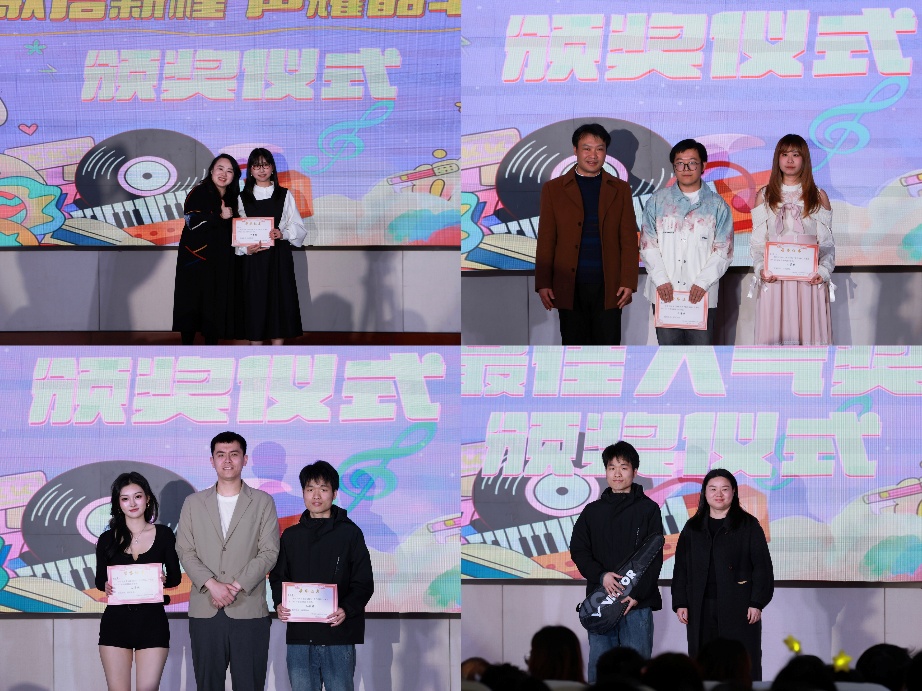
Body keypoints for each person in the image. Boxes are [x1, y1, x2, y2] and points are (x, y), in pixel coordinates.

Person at [176, 431, 280, 691]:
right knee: (208, 685)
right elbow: (185, 550)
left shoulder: (263, 502)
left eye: (234, 454)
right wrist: (213, 585)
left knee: (250, 684)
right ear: (212, 461)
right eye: (220, 455)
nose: (227, 460)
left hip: (249, 609)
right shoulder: (193, 503)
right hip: (205, 610)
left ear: (245, 459)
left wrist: (233, 587)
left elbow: (269, 551)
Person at [270, 460, 374, 691]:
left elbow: (364, 582)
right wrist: (279, 602)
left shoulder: (350, 534)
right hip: (300, 637)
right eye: (310, 489)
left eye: (323, 489)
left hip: (338, 635)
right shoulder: (291, 536)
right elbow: (278, 577)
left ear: (334, 494)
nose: (316, 496)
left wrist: (346, 609)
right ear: (303, 493)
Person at [534, 123, 640, 345]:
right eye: (587, 148)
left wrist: (628, 280)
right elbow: (546, 239)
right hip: (568, 284)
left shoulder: (620, 189)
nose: (593, 155)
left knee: (608, 349)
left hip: (609, 286)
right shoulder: (553, 189)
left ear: (606, 152)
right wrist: (543, 282)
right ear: (575, 150)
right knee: (574, 349)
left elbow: (629, 239)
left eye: (599, 149)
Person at [570, 441, 664, 683]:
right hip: (601, 602)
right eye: (612, 468)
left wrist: (637, 595)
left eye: (623, 467)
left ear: (635, 471)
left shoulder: (648, 509)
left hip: (636, 604)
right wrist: (602, 576)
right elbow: (579, 550)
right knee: (600, 670)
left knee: (638, 672)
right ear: (606, 472)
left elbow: (654, 556)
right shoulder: (592, 511)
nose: (617, 473)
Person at [671, 469, 774, 681]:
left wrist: (757, 602)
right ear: (704, 493)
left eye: (725, 489)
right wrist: (680, 602)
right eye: (713, 489)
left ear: (733, 492)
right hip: (700, 606)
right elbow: (681, 568)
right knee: (703, 662)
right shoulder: (693, 527)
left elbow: (762, 567)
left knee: (739, 662)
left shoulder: (748, 525)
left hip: (739, 606)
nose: (719, 494)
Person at [640, 139, 733, 345]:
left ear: (703, 165)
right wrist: (661, 279)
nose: (686, 168)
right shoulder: (657, 201)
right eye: (680, 163)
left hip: (701, 295)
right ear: (674, 167)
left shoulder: (717, 205)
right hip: (666, 294)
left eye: (692, 163)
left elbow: (724, 250)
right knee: (669, 357)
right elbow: (648, 244)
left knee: (700, 358)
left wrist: (702, 283)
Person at [95, 472, 182, 691]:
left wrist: (164, 579)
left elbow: (176, 577)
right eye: (125, 498)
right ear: (118, 503)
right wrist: (105, 585)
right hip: (116, 623)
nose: (132, 504)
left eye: (138, 496)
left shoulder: (164, 534)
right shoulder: (107, 539)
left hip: (152, 623)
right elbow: (99, 580)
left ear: (148, 499)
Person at [749, 134, 834, 345]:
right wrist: (761, 269)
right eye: (784, 154)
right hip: (775, 281)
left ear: (804, 159)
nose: (789, 160)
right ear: (777, 158)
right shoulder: (764, 195)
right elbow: (757, 243)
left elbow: (827, 245)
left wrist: (823, 272)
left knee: (810, 344)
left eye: (795, 155)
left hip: (808, 283)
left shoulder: (818, 195)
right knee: (773, 346)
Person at [236, 148, 307, 345]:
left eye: (265, 165)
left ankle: (278, 354)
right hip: (254, 261)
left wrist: (282, 234)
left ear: (272, 168)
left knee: (279, 304)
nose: (261, 170)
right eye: (256, 166)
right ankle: (255, 353)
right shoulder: (242, 197)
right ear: (250, 170)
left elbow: (298, 226)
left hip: (278, 257)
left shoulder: (285, 195)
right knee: (255, 305)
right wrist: (245, 249)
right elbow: (237, 232)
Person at [173, 154, 241, 345]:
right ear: (211, 170)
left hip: (221, 261)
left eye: (229, 171)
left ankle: (212, 351)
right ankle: (186, 349)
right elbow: (192, 222)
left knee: (215, 307)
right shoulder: (199, 192)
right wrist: (219, 216)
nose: (224, 174)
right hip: (196, 260)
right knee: (190, 306)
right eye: (220, 168)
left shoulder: (233, 197)